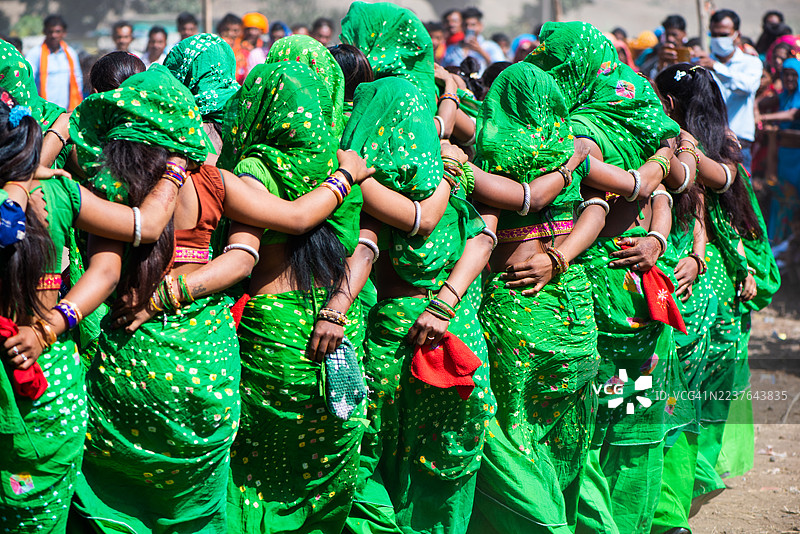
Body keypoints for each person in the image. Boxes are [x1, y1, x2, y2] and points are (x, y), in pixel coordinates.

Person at [219, 60, 374, 534]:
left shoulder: (251, 169)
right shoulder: (345, 165)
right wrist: (337, 310)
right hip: (337, 332)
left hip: (272, 333)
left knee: (258, 472)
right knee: (319, 472)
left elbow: (254, 248)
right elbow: (365, 247)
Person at [696, 9, 763, 174]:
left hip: (738, 143)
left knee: (742, 196)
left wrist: (716, 68)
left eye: (724, 34)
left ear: (736, 35)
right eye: (715, 34)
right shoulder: (701, 64)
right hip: (708, 141)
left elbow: (746, 87)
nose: (719, 39)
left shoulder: (751, 63)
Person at [25, 15, 83, 111]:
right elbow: (28, 81)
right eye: (50, 32)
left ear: (64, 33)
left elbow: (78, 80)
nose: (54, 35)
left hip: (66, 111)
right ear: (44, 32)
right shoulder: (34, 54)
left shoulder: (71, 53)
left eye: (57, 32)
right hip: (44, 112)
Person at [443, 7, 506, 75]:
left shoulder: (491, 47)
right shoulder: (452, 49)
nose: (469, 28)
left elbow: (501, 69)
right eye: (466, 25)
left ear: (480, 26)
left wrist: (481, 51)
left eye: (473, 25)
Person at [236, 12, 268, 83]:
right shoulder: (237, 47)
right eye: (248, 29)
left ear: (261, 31)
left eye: (255, 29)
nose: (251, 32)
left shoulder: (265, 49)